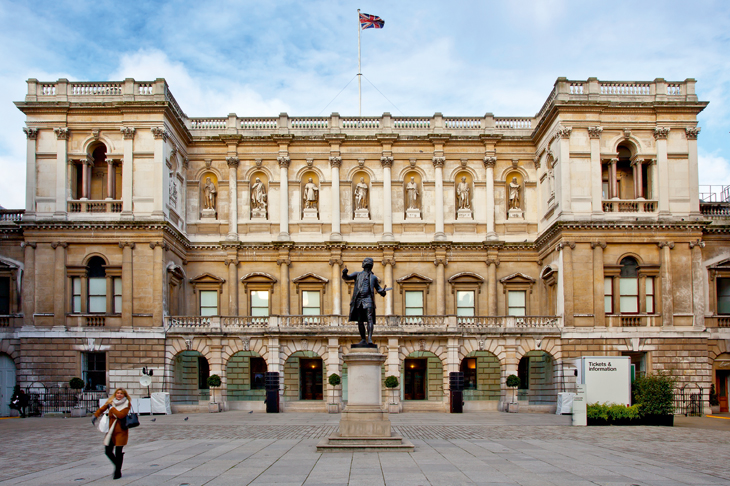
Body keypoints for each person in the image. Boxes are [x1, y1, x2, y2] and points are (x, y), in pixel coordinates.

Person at [342, 258, 387, 346]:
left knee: (369, 318)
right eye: (366, 263)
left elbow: (379, 289)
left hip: (368, 299)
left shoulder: (373, 277)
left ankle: (369, 338)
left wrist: (383, 292)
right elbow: (347, 277)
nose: (367, 264)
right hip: (358, 300)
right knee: (360, 320)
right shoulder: (357, 274)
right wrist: (344, 272)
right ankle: (363, 339)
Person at [92, 388, 131, 480]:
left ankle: (117, 471)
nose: (119, 395)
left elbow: (121, 415)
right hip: (111, 431)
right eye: (117, 393)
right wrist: (95, 416)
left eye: (121, 393)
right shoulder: (111, 402)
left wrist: (112, 409)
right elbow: (102, 409)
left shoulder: (126, 404)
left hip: (121, 431)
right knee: (108, 451)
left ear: (124, 395)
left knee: (118, 452)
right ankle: (117, 466)